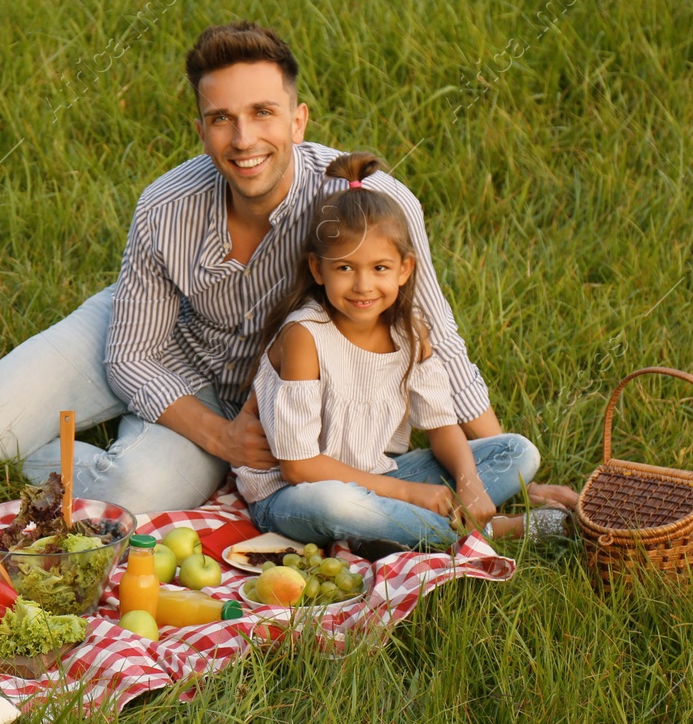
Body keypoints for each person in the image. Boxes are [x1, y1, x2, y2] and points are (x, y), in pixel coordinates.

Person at [0, 21, 574, 514]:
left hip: (250, 392)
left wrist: (500, 471)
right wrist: (223, 440)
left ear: (298, 119)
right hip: (149, 338)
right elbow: (129, 356)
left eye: (263, 113)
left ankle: (63, 449)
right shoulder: (165, 206)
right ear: (201, 127)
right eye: (221, 119)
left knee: (135, 491)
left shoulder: (366, 204)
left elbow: (436, 340)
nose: (243, 140)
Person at [238, 152, 569, 550]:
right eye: (345, 268)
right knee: (337, 502)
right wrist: (407, 493)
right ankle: (490, 530)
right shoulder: (305, 336)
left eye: (379, 268)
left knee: (517, 452)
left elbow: (443, 426)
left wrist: (469, 482)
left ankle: (388, 530)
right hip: (293, 497)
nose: (363, 285)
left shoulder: (409, 331)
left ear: (405, 269)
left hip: (381, 475)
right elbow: (298, 466)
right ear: (317, 269)